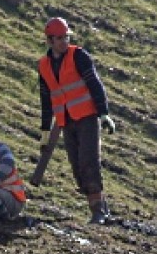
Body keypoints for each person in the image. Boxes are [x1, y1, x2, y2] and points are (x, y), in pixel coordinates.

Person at [37, 17, 116, 224]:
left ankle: (98, 211)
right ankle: (101, 208)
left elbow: (94, 83)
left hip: (87, 117)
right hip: (66, 121)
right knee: (77, 166)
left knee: (89, 162)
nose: (64, 41)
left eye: (66, 37)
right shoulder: (43, 66)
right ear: (50, 40)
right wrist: (45, 131)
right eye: (59, 38)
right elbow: (46, 100)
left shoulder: (79, 56)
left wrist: (103, 113)